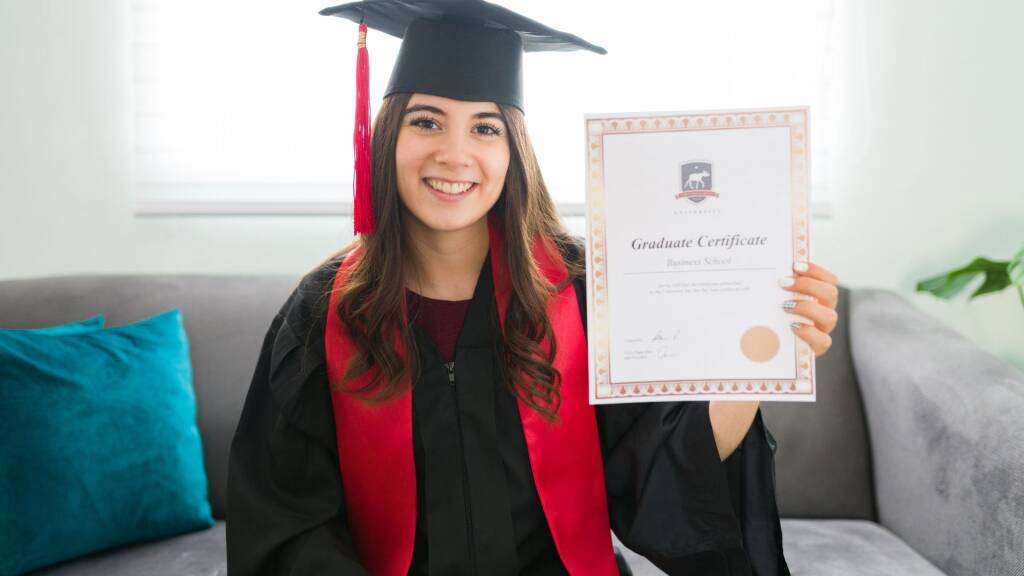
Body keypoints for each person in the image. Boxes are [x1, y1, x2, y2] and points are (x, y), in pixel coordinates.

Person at [226, 1, 840, 574]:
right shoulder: (327, 310)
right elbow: (285, 521)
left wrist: (761, 359)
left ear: (514, 150)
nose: (454, 153)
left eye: (485, 128)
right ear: (386, 136)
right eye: (426, 121)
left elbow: (660, 470)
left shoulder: (581, 293)